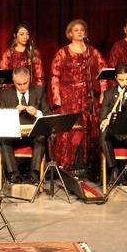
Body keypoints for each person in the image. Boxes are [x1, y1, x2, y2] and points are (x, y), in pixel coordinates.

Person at [50, 19, 107, 171]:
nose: (80, 32)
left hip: (88, 97)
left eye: (82, 29)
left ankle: (87, 164)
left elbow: (103, 71)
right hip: (69, 97)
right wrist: (57, 98)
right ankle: (66, 164)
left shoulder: (92, 52)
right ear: (70, 33)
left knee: (89, 128)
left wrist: (103, 93)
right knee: (70, 130)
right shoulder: (63, 52)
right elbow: (55, 76)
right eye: (76, 30)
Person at [0, 66, 49, 183]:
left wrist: (37, 112)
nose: (22, 87)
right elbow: (0, 118)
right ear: (13, 81)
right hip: (14, 135)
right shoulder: (5, 94)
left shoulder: (39, 91)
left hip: (32, 134)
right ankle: (13, 175)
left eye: (25, 83)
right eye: (18, 84)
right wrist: (14, 112)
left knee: (41, 137)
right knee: (3, 140)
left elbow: (48, 114)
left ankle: (34, 175)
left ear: (29, 79)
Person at [0, 21, 44, 86]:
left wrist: (39, 91)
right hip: (12, 89)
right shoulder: (8, 53)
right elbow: (2, 74)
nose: (25, 37)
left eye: (27, 34)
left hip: (30, 89)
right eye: (22, 34)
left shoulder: (33, 53)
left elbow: (39, 75)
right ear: (15, 35)